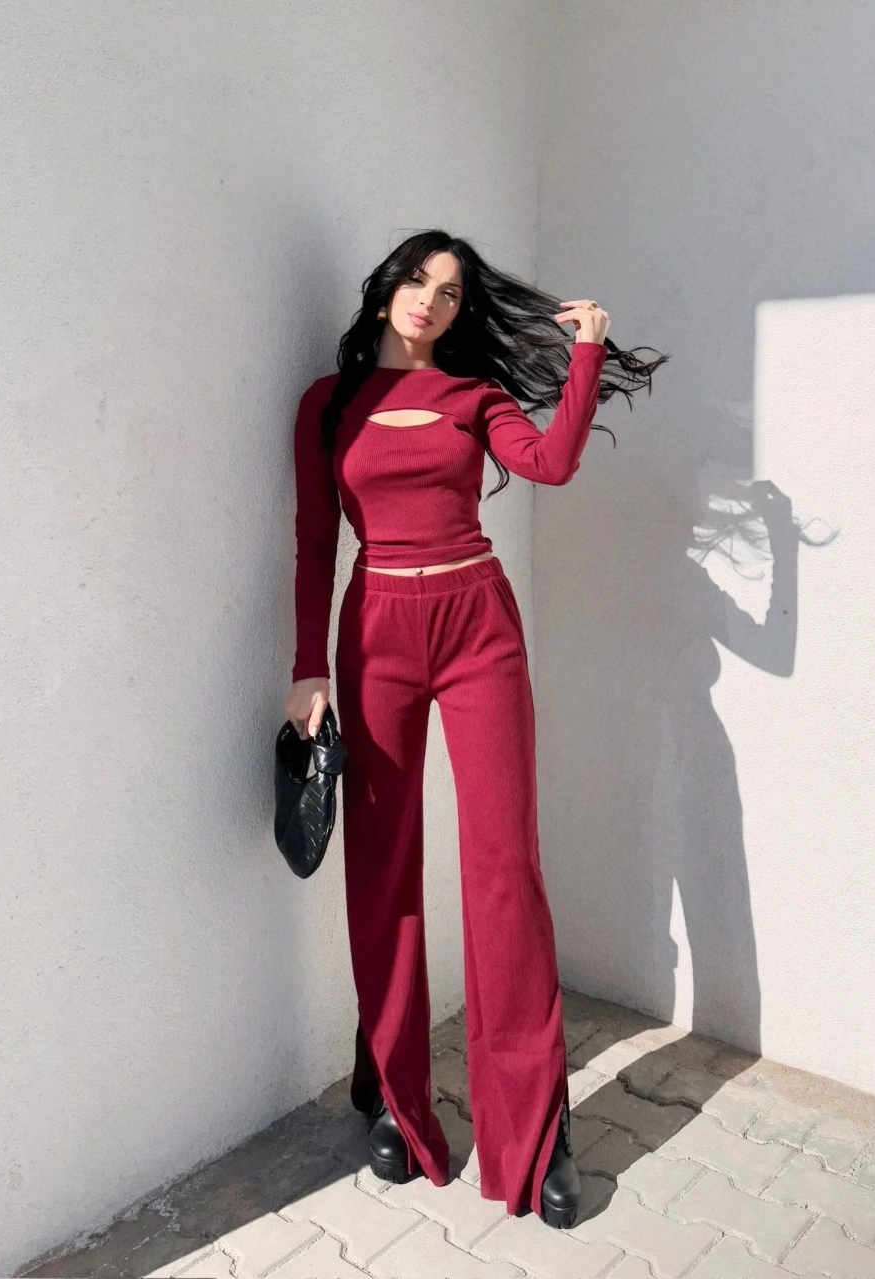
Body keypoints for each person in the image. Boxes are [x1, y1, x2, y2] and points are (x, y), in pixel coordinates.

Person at [284, 230, 664, 1229]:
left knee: (505, 868)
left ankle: (537, 1128)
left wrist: (587, 352)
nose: (430, 300)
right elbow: (314, 543)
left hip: (476, 625)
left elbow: (552, 462)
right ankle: (393, 1089)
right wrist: (306, 668)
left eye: (450, 292)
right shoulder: (328, 407)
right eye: (418, 280)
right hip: (376, 629)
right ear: (385, 289)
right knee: (383, 864)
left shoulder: (472, 396)